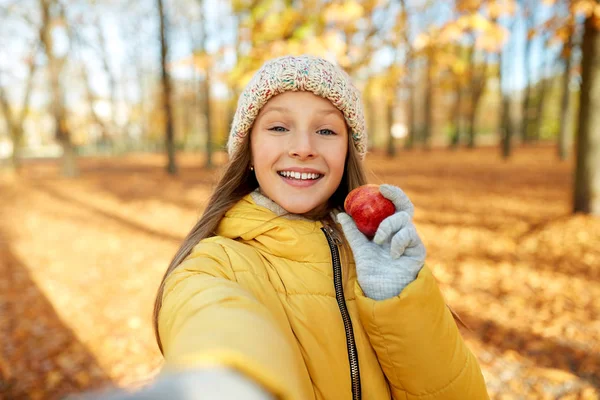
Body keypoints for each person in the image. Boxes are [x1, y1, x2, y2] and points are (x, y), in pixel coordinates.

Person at [138, 55, 489, 400]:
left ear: (347, 151)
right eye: (278, 127)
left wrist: (400, 300)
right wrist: (224, 382)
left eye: (326, 130)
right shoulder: (213, 266)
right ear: (249, 148)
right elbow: (211, 322)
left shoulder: (376, 256)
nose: (304, 148)